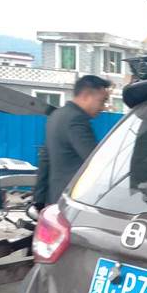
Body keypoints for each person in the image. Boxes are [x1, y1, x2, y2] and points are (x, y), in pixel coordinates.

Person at [34, 75, 112, 207]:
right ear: (86, 96)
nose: (103, 107)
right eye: (102, 101)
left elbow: (45, 160)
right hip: (73, 201)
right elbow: (94, 161)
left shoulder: (56, 116)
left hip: (55, 198)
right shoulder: (76, 120)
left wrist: (39, 200)